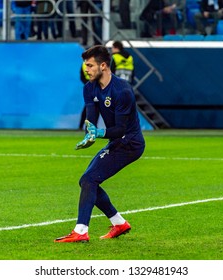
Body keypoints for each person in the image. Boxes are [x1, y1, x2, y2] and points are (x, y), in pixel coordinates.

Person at [55, 45, 145, 243]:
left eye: (89, 65)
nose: (86, 69)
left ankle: (80, 231)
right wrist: (90, 136)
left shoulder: (122, 91)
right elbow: (91, 119)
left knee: (89, 180)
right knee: (87, 181)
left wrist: (100, 133)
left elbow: (120, 129)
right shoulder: (89, 88)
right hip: (117, 141)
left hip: (130, 143)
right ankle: (119, 223)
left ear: (103, 66)